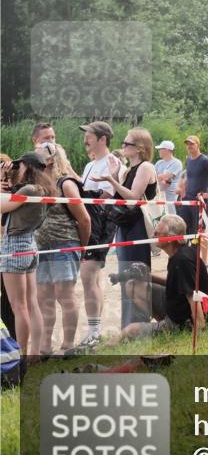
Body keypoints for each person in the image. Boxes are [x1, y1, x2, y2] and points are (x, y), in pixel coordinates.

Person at [93, 128, 158, 326]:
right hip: (126, 226)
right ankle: (128, 323)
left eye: (126, 143)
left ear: (139, 148)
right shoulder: (130, 169)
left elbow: (132, 199)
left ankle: (138, 322)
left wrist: (112, 179)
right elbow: (121, 197)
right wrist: (115, 177)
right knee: (125, 273)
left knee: (136, 273)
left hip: (137, 226)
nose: (122, 146)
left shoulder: (146, 167)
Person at [120, 215, 208, 339]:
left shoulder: (181, 261)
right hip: (177, 307)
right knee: (133, 285)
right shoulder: (180, 253)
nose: (153, 235)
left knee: (128, 330)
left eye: (157, 233)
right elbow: (179, 284)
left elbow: (193, 297)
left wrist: (200, 331)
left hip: (183, 320)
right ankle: (161, 325)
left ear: (170, 238)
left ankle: (104, 349)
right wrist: (148, 277)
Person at [34, 143, 89, 355]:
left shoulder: (65, 183)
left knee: (64, 295)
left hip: (65, 244)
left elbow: (84, 220)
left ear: (50, 159)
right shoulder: (36, 183)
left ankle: (68, 345)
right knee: (43, 297)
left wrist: (81, 248)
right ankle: (45, 346)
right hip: (41, 247)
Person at [0, 152, 53, 356]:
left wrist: (2, 179)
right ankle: (34, 353)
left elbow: (2, 206)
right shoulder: (41, 188)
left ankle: (21, 354)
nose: (17, 170)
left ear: (27, 167)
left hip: (16, 246)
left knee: (19, 307)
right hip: (29, 244)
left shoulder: (29, 189)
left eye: (19, 167)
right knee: (31, 303)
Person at [77, 120, 122, 347]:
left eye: (89, 135)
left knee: (88, 274)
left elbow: (105, 196)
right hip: (90, 221)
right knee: (92, 276)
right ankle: (96, 329)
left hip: (101, 222)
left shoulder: (112, 162)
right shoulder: (89, 165)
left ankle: (94, 331)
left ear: (102, 139)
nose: (85, 139)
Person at [176, 135, 208, 236]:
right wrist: (182, 189)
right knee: (185, 230)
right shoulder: (189, 159)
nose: (189, 146)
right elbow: (188, 176)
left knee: (200, 233)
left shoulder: (204, 160)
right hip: (187, 200)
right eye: (187, 144)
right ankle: (189, 252)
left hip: (199, 202)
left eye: (192, 144)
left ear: (198, 145)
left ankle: (200, 252)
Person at [154, 140, 182, 215]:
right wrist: (161, 179)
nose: (159, 151)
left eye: (160, 149)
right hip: (159, 197)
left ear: (167, 150)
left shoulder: (176, 163)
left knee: (172, 219)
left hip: (171, 199)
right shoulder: (158, 163)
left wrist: (160, 178)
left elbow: (165, 177)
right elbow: (154, 178)